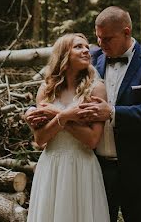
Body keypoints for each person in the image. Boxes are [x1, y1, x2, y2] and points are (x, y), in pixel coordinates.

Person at [27, 6, 141, 222]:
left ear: (126, 32)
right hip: (95, 168)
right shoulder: (90, 57)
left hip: (138, 165)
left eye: (107, 39)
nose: (100, 45)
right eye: (98, 38)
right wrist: (30, 110)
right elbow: (55, 81)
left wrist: (113, 112)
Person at [25, 32, 110, 222]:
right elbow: (40, 140)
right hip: (51, 166)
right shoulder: (46, 89)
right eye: (78, 46)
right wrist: (66, 117)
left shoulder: (96, 89)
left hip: (82, 166)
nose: (86, 50)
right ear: (64, 54)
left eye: (87, 47)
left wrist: (57, 115)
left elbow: (92, 140)